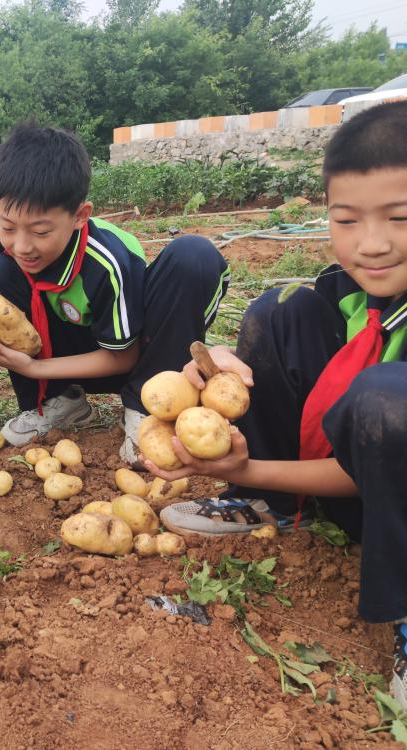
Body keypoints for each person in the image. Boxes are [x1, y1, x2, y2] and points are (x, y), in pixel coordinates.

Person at [151, 101, 407, 707]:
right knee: (278, 309)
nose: (371, 244)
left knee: (386, 398)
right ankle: (273, 504)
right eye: (346, 220)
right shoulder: (346, 293)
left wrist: (244, 464)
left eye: (400, 217)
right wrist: (215, 377)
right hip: (359, 488)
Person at [0, 122, 228, 457]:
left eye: (40, 231)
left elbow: (124, 355)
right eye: (8, 226)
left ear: (81, 216)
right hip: (70, 358)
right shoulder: (2, 243)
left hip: (135, 353)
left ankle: (150, 412)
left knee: (193, 256)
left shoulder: (108, 261)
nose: (21, 245)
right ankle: (58, 401)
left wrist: (34, 367)